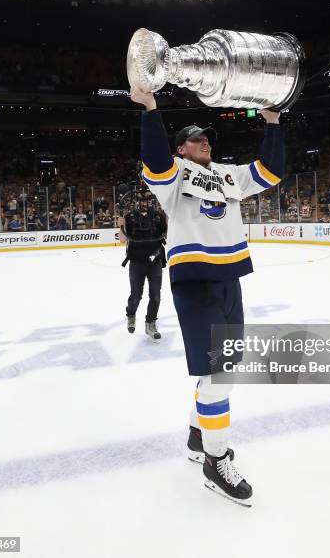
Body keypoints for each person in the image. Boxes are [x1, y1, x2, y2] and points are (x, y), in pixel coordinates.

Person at [130, 85, 286, 507]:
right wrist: (150, 108)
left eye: (207, 137)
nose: (205, 141)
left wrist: (272, 121)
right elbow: (156, 159)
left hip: (230, 279)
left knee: (224, 366)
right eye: (196, 138)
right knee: (222, 374)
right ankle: (215, 462)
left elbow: (271, 170)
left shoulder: (230, 175)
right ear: (182, 148)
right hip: (194, 281)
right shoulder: (174, 175)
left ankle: (199, 436)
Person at [120, 198, 167, 340]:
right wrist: (121, 225)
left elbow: (167, 236)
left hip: (155, 261)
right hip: (136, 262)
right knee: (136, 296)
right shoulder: (129, 217)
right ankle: (131, 314)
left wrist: (169, 222)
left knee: (155, 295)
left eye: (146, 201)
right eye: (141, 201)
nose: (144, 204)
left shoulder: (159, 217)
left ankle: (150, 323)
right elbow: (122, 240)